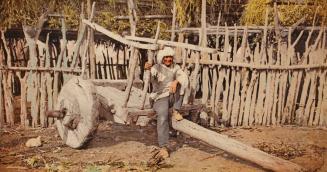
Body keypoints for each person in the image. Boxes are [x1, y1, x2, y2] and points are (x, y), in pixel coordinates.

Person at [144, 46, 189, 159]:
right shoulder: (156, 68)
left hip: (172, 97)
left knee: (180, 83)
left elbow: (184, 77)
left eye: (170, 57)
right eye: (166, 57)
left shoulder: (176, 68)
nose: (168, 59)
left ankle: (175, 110)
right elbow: (148, 78)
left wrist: (176, 81)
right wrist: (147, 69)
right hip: (160, 97)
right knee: (163, 116)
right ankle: (163, 146)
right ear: (162, 58)